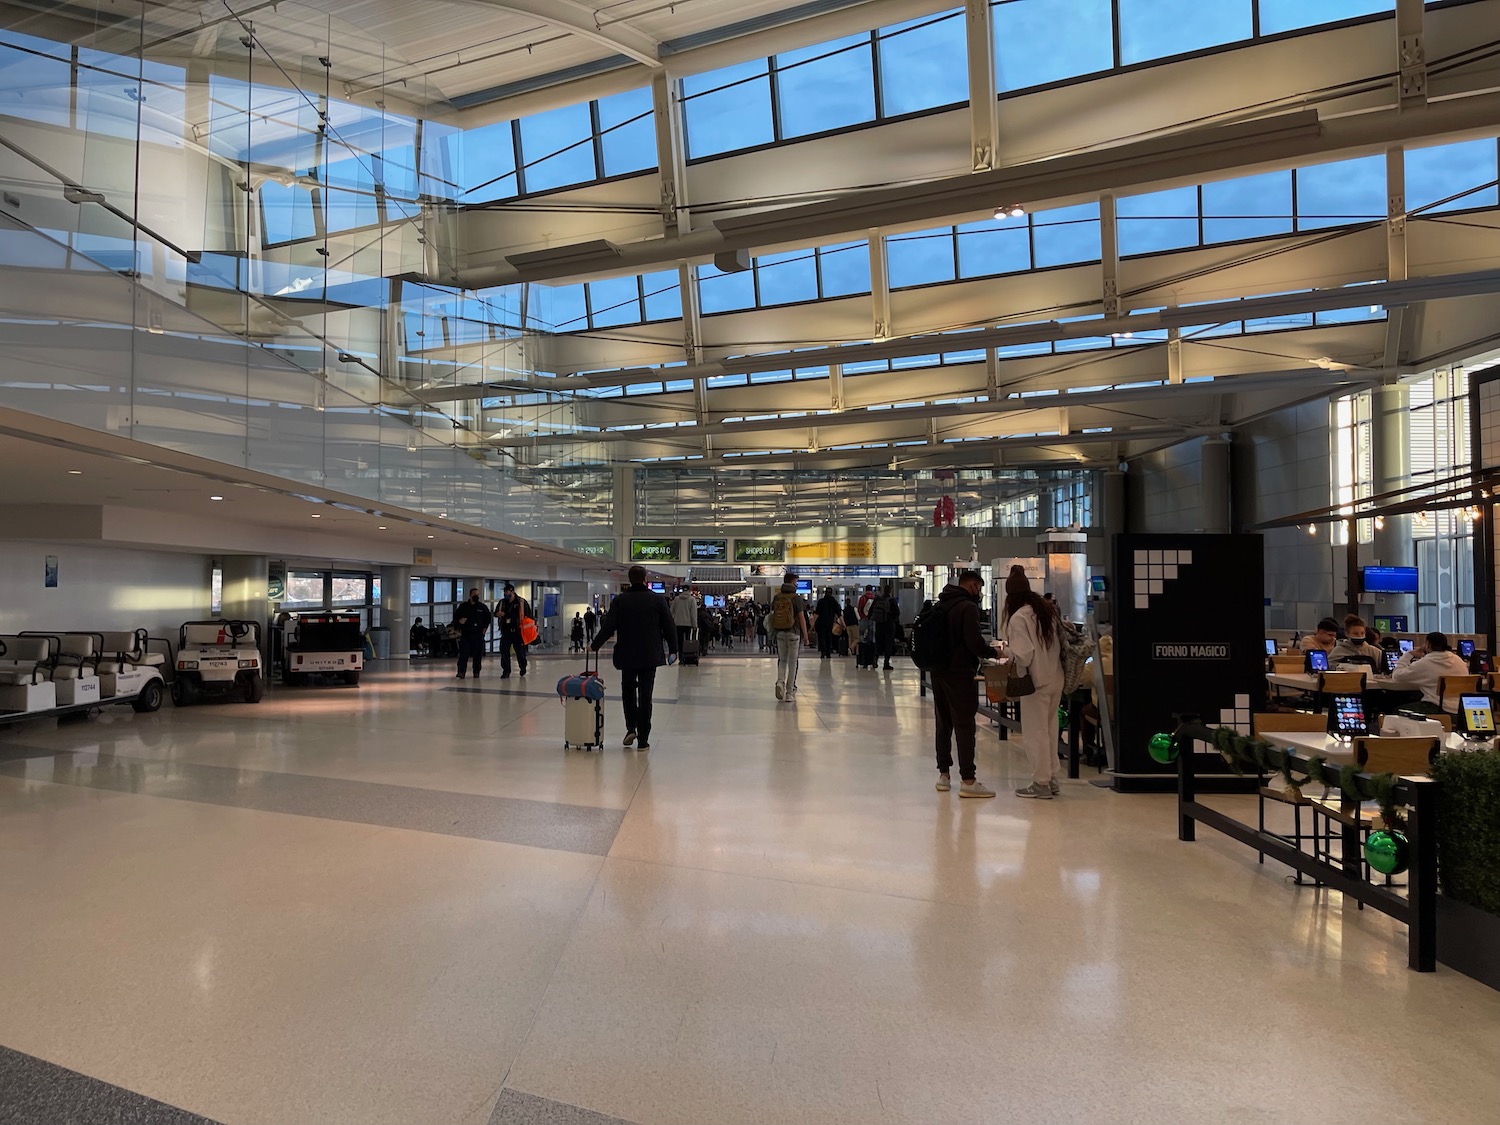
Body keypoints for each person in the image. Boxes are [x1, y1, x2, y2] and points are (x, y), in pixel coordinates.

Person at [591, 565, 678, 751]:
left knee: (628, 692)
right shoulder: (657, 600)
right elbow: (669, 626)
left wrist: (595, 644)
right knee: (646, 696)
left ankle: (631, 727)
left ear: (629, 580)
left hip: (627, 654)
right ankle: (643, 739)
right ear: (645, 579)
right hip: (649, 655)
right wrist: (674, 650)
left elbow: (609, 626)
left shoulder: (621, 601)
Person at [930, 570, 1000, 799]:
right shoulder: (967, 608)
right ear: (970, 585)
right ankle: (968, 780)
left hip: (938, 671)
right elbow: (974, 642)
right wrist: (993, 652)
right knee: (964, 726)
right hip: (959, 673)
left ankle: (943, 776)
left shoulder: (942, 604)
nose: (979, 593)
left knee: (943, 723)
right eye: (978, 587)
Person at [1002, 565, 1065, 799]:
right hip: (1056, 677)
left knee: (1035, 732)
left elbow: (1024, 655)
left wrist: (1007, 654)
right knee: (1050, 728)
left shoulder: (1018, 618)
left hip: (1036, 682)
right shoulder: (1045, 611)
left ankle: (1040, 783)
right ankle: (1052, 778)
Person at [1386, 631, 1471, 709]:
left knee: (1397, 709)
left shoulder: (1426, 663)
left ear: (1427, 644)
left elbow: (1397, 676)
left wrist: (1408, 655)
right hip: (1461, 709)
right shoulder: (1459, 661)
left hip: (1437, 707)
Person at [769, 570, 810, 701]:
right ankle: (789, 692)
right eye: (796, 581)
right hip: (794, 633)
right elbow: (801, 618)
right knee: (793, 663)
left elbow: (772, 614)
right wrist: (806, 635)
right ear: (792, 582)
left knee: (782, 660)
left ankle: (780, 682)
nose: (797, 584)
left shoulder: (777, 597)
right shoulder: (796, 598)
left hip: (780, 632)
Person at [453, 588, 493, 680]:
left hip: (478, 634)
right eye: (475, 594)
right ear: (470, 595)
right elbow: (456, 618)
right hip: (466, 634)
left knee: (477, 654)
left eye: (478, 595)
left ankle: (476, 671)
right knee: (463, 654)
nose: (477, 596)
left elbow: (488, 618)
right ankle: (461, 672)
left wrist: (484, 628)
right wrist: (459, 622)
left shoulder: (482, 607)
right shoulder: (463, 606)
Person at [495, 583, 530, 678]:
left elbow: (529, 616)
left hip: (518, 632)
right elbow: (495, 613)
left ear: (512, 591)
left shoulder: (521, 602)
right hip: (506, 631)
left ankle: (523, 667)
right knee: (504, 651)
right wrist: (498, 614)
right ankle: (506, 671)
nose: (505, 594)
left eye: (507, 592)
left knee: (520, 652)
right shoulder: (502, 602)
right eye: (504, 592)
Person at [869, 585, 899, 671]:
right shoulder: (892, 600)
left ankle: (875, 658)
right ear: (890, 591)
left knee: (878, 642)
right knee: (888, 644)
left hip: (879, 624)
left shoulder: (877, 599)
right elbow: (897, 613)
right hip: (889, 625)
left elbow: (871, 611)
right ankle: (886, 663)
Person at [814, 588, 841, 659]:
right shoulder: (834, 602)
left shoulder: (821, 601)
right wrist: (843, 624)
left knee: (822, 637)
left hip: (821, 622)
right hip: (830, 623)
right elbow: (839, 614)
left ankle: (823, 652)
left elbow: (817, 614)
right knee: (829, 637)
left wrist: (813, 622)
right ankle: (828, 652)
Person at [671, 586, 698, 653]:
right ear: (689, 590)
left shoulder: (676, 599)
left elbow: (671, 611)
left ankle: (680, 657)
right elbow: (693, 613)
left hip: (678, 623)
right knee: (687, 641)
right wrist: (695, 624)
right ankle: (687, 655)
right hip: (688, 624)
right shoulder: (692, 599)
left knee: (679, 641)